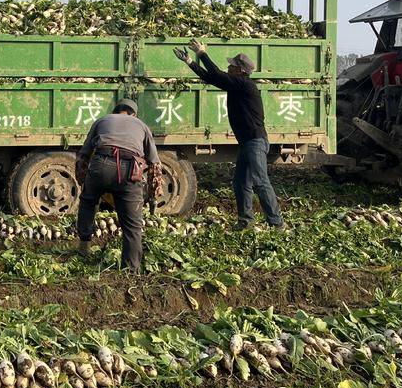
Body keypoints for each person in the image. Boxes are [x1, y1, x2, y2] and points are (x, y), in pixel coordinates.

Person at [174, 39, 285, 231]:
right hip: (247, 143)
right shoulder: (236, 85)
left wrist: (202, 53)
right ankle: (245, 221)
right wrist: (190, 62)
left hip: (255, 142)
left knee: (260, 181)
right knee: (241, 182)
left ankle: (277, 223)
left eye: (232, 66)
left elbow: (216, 73)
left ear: (240, 70)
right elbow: (211, 78)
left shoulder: (245, 85)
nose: (228, 67)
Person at [75, 98, 162, 272]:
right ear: (133, 114)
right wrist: (153, 195)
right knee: (132, 224)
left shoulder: (102, 120)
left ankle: (84, 247)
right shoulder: (142, 125)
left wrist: (84, 183)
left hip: (100, 164)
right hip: (130, 169)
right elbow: (154, 164)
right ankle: (130, 268)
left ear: (116, 111)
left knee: (88, 202)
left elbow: (84, 154)